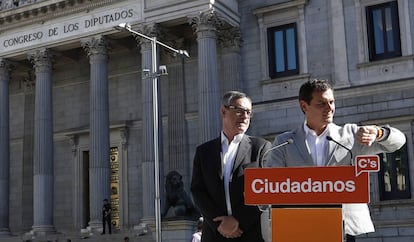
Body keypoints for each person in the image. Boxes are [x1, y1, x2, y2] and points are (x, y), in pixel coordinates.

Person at [266, 79, 406, 242]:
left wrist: (378, 132)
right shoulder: (285, 141)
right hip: (301, 225)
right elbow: (271, 186)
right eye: (321, 104)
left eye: (331, 102)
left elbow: (398, 141)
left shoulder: (352, 135)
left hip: (344, 226)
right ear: (304, 106)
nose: (329, 108)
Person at [191, 91, 272, 242]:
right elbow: (198, 192)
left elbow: (265, 193)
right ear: (224, 111)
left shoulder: (261, 148)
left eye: (249, 112)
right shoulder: (204, 152)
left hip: (252, 233)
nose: (245, 116)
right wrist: (221, 224)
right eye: (239, 110)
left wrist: (237, 220)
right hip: (215, 234)